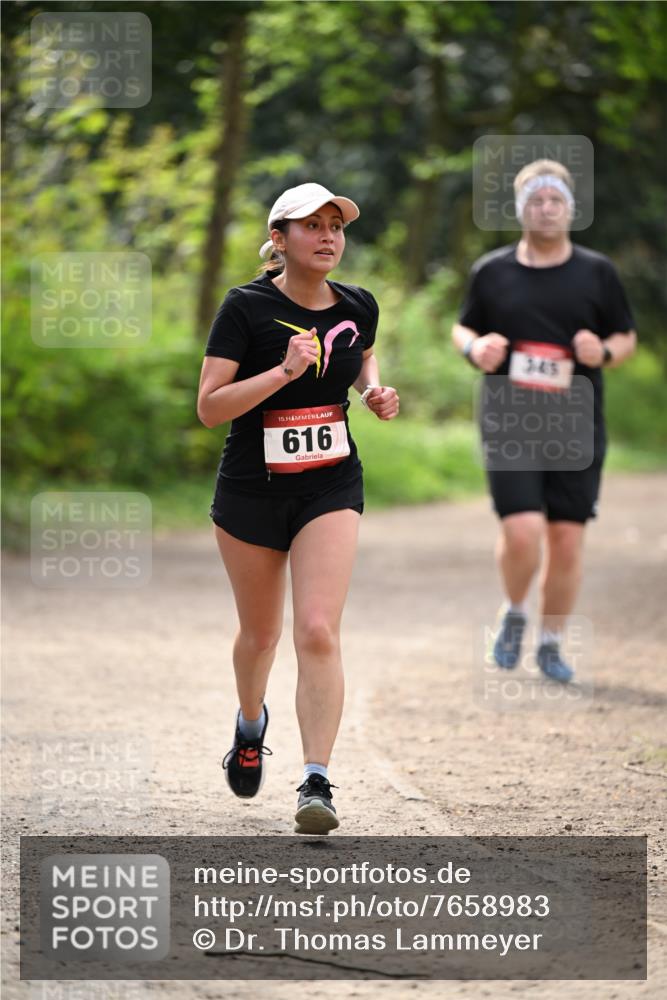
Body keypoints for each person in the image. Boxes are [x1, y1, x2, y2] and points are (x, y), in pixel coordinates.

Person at [197, 182, 399, 833]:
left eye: (335, 225)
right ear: (278, 239)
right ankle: (249, 723)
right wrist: (283, 372)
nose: (327, 236)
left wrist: (372, 390)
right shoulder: (245, 307)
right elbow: (209, 408)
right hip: (251, 491)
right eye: (312, 225)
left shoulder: (358, 304)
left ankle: (316, 782)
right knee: (261, 637)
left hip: (329, 485)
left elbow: (362, 352)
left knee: (316, 629)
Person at [452, 159, 636, 683]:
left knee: (566, 539)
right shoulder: (492, 271)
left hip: (576, 423)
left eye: (556, 200)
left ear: (570, 208)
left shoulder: (597, 272)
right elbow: (463, 328)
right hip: (508, 419)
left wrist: (602, 350)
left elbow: (625, 337)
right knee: (523, 530)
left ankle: (551, 643)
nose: (547, 208)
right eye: (536, 200)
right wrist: (475, 349)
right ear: (520, 209)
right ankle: (514, 612)